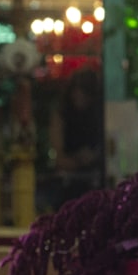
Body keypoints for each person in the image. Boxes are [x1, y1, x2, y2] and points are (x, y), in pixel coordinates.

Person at [47, 68, 105, 208]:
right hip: (69, 184)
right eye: (76, 91)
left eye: (84, 92)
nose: (78, 96)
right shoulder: (63, 114)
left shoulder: (99, 115)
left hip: (95, 182)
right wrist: (79, 160)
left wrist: (94, 157)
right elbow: (59, 159)